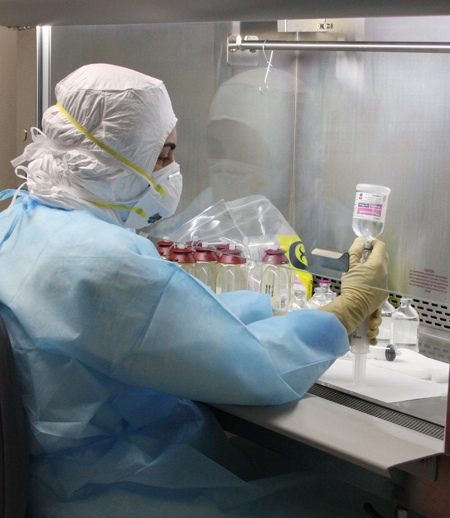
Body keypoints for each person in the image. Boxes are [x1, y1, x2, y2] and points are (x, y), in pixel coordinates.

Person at [0, 64, 390, 517]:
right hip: (122, 488)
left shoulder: (19, 218)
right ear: (116, 154)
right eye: (163, 154)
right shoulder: (102, 261)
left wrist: (278, 315)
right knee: (355, 503)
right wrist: (345, 310)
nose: (171, 170)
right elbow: (251, 368)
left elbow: (178, 317)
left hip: (58, 478)